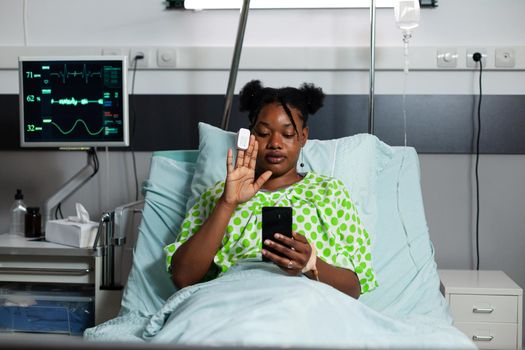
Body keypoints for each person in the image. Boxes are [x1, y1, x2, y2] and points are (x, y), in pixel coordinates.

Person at [164, 80, 377, 299]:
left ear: (303, 137)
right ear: (250, 136)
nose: (275, 143)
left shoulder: (329, 193)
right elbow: (183, 278)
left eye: (287, 134)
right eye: (264, 133)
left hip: (305, 304)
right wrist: (227, 204)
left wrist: (311, 264)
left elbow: (354, 288)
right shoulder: (220, 194)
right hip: (231, 302)